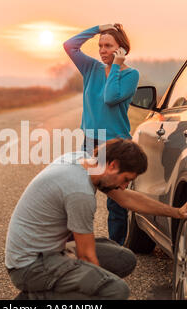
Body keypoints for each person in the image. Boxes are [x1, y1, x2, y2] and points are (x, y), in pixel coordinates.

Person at [5, 139, 187, 300]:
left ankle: (56, 288)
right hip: (29, 265)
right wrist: (99, 283)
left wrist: (176, 212)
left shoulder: (82, 162)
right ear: (112, 165)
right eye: (126, 179)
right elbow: (87, 256)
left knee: (123, 259)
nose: (124, 186)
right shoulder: (79, 191)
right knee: (115, 290)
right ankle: (34, 298)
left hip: (51, 250)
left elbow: (128, 198)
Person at [63, 23, 140, 246]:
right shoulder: (91, 68)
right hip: (90, 143)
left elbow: (109, 96)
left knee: (116, 205)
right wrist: (98, 28)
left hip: (116, 144)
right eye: (100, 45)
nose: (102, 50)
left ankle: (116, 249)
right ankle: (73, 245)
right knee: (80, 196)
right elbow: (70, 46)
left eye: (108, 46)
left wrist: (116, 65)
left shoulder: (131, 75)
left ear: (121, 49)